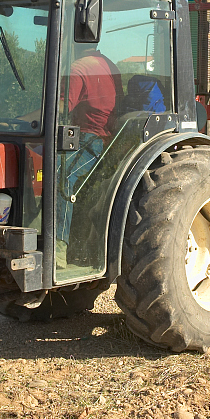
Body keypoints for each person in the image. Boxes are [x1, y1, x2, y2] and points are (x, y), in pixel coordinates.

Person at [55, 43, 121, 267]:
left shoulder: (78, 69)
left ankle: (57, 247)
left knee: (60, 179)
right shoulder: (110, 65)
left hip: (89, 138)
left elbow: (62, 108)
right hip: (106, 139)